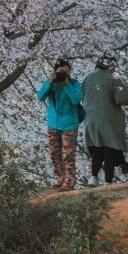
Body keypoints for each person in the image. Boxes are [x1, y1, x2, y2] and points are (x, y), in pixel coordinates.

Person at [36, 59, 85, 191]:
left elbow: (76, 99)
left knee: (68, 155)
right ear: (55, 71)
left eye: (67, 72)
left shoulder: (74, 84)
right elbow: (40, 97)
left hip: (69, 124)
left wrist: (67, 84)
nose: (65, 75)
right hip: (53, 124)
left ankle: (69, 181)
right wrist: (49, 82)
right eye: (62, 72)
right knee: (54, 153)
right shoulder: (51, 83)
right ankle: (60, 178)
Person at [84, 55, 127, 186]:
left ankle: (93, 177)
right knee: (109, 147)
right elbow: (121, 99)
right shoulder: (114, 77)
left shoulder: (87, 77)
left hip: (90, 118)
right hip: (109, 118)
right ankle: (108, 181)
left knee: (98, 147)